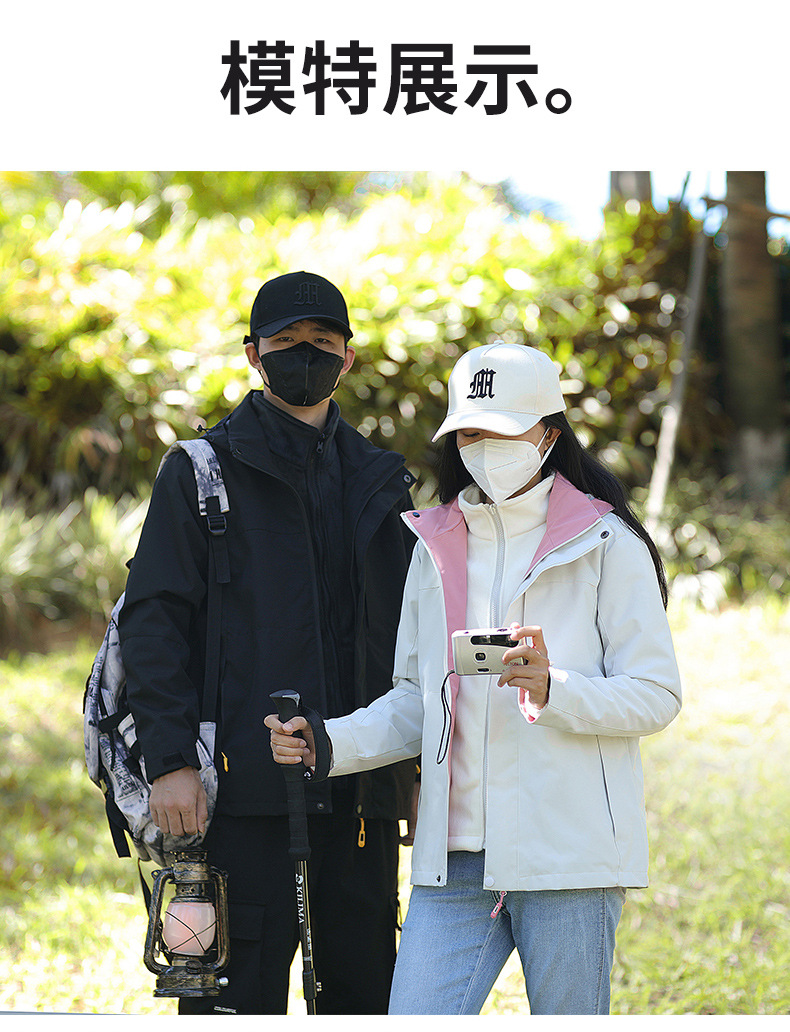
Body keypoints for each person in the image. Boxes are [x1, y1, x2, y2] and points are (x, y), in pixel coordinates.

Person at [266, 339, 683, 1015]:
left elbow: (657, 695)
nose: (483, 447)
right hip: (453, 858)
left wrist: (553, 688)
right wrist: (330, 742)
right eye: (469, 432)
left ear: (548, 433)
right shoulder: (432, 545)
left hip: (568, 857)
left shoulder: (608, 543)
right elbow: (416, 700)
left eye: (502, 431)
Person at [119, 270, 418, 1015]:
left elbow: (408, 642)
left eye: (322, 341)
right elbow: (152, 624)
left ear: (348, 357)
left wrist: (407, 773)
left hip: (358, 793)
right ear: (254, 355)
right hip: (234, 797)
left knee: (364, 997)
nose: (305, 355)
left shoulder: (382, 482)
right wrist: (170, 763)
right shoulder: (200, 473)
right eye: (286, 341)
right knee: (228, 1005)